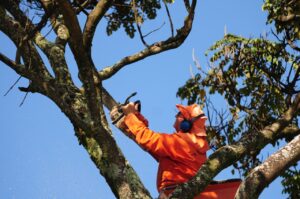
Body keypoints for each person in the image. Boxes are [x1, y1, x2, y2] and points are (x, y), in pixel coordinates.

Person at [111, 103, 209, 198]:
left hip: (175, 192)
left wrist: (130, 115)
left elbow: (148, 139)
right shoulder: (195, 147)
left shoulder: (181, 142)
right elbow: (151, 147)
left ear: (186, 124)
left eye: (179, 114)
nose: (176, 117)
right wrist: (136, 117)